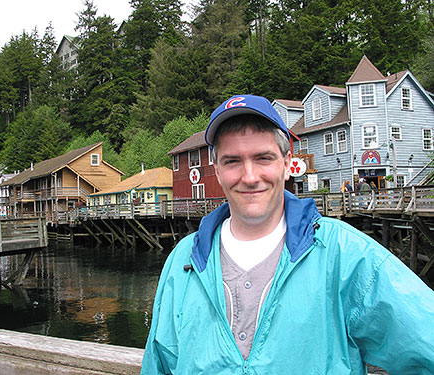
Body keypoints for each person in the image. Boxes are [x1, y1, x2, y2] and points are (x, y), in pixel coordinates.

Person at [141, 95, 434, 374]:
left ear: (286, 163)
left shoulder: (346, 254)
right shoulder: (183, 260)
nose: (250, 176)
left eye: (263, 158)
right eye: (232, 161)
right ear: (216, 170)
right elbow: (159, 363)